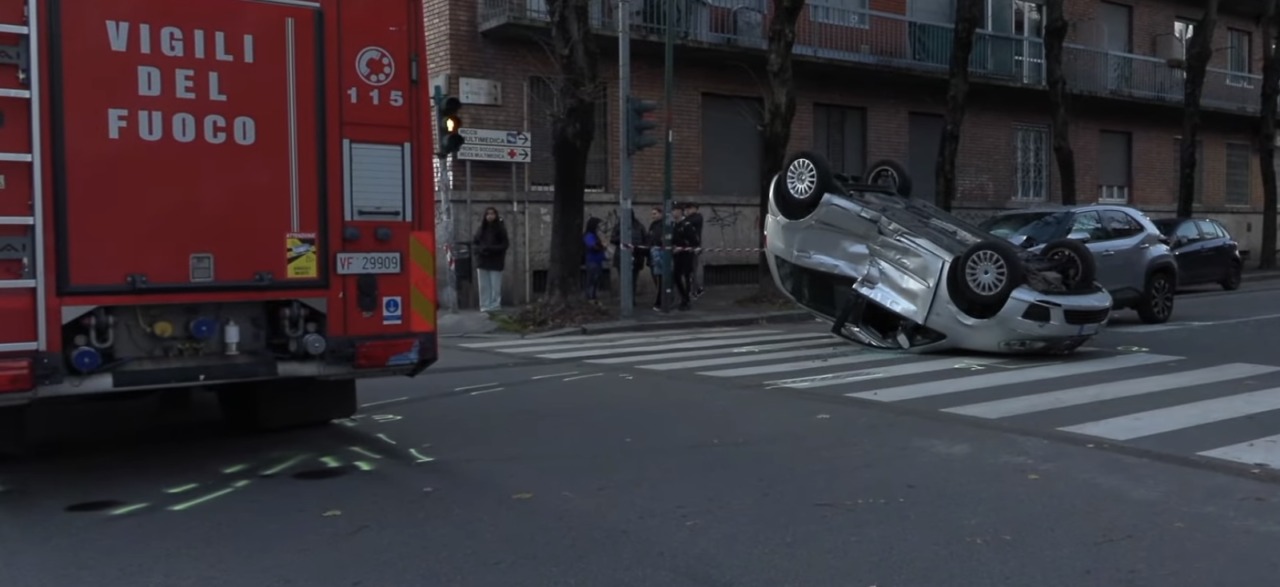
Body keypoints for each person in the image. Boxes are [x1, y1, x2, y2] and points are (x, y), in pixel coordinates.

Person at [471, 206, 509, 312]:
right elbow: (474, 243)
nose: (490, 216)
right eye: (488, 214)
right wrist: (480, 250)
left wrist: (491, 249)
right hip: (482, 261)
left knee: (495, 285)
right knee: (483, 286)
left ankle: (495, 305)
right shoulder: (481, 229)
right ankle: (484, 305)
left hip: (496, 261)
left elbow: (505, 245)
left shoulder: (501, 229)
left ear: (496, 215)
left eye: (492, 214)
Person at [610, 209, 648, 303]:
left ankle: (629, 299)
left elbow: (645, 241)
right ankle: (628, 299)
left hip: (632, 255)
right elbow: (613, 239)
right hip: (626, 256)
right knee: (629, 280)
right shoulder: (622, 226)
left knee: (631, 279)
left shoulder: (637, 226)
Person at [671, 204, 696, 311]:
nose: (673, 212)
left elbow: (693, 242)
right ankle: (683, 297)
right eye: (672, 210)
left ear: (680, 211)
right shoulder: (673, 225)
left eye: (675, 210)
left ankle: (686, 300)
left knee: (686, 277)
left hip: (686, 255)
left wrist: (682, 248)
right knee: (676, 276)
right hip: (677, 255)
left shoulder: (686, 225)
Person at [682, 202, 705, 299]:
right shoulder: (689, 218)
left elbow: (688, 222)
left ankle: (697, 289)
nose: (688, 210)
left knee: (692, 270)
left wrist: (684, 217)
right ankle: (696, 289)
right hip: (687, 247)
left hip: (694, 247)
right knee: (689, 270)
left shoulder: (698, 217)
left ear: (695, 209)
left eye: (690, 208)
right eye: (687, 208)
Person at [583, 217, 608, 301]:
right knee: (592, 279)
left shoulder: (595, 235)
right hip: (592, 260)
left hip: (597, 260)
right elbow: (593, 246)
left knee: (596, 279)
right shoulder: (589, 235)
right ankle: (590, 297)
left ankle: (593, 296)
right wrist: (602, 247)